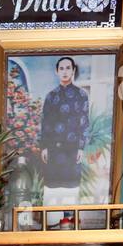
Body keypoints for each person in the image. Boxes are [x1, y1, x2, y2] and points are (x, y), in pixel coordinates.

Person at [38, 56, 89, 224]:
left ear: (73, 70)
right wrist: (44, 147)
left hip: (72, 149)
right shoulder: (51, 96)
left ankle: (69, 223)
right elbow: (45, 123)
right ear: (57, 71)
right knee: (52, 186)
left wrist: (81, 147)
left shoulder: (81, 95)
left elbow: (84, 122)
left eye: (68, 68)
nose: (65, 72)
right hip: (53, 148)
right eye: (62, 68)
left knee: (71, 186)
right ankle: (51, 222)